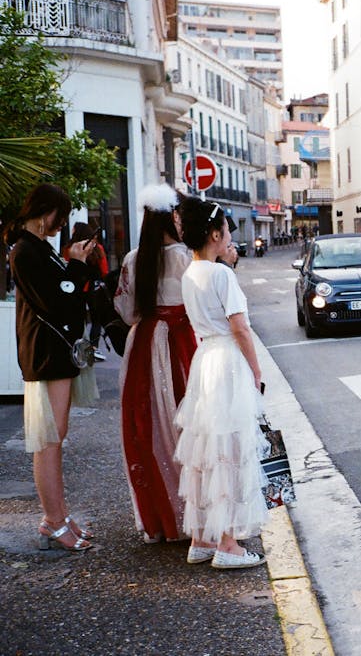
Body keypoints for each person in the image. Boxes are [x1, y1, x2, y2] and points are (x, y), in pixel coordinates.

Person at [174, 198, 268, 569]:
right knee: (230, 448)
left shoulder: (190, 273)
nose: (230, 235)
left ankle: (202, 538)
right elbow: (240, 327)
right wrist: (257, 372)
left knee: (205, 450)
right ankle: (228, 544)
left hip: (204, 360)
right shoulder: (221, 275)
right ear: (216, 234)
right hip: (227, 361)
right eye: (227, 229)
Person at [6, 184, 98, 552]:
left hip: (54, 353)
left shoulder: (37, 249)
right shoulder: (26, 251)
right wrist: (76, 264)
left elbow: (66, 294)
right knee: (49, 441)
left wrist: (73, 265)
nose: (62, 225)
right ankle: (53, 521)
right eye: (60, 217)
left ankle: (58, 516)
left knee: (54, 437)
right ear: (46, 212)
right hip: (45, 354)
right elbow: (58, 300)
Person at [114, 184, 197, 543]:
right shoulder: (186, 257)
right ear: (172, 216)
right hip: (181, 345)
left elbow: (127, 310)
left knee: (147, 428)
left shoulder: (134, 259)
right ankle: (194, 515)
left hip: (144, 346)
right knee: (189, 425)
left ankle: (161, 517)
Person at [64, 222, 109, 360]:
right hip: (94, 289)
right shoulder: (98, 249)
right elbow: (105, 270)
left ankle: (79, 345)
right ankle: (94, 347)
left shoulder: (70, 249)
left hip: (78, 288)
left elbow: (67, 268)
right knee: (96, 319)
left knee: (79, 318)